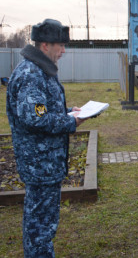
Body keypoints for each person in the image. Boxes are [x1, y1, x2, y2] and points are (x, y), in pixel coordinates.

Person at [6, 19, 86, 258]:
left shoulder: (40, 69)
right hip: (40, 163)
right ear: (44, 45)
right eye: (60, 45)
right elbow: (36, 120)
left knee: (41, 219)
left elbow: (42, 110)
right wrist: (71, 121)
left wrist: (67, 112)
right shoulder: (32, 74)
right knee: (40, 223)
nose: (63, 51)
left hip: (44, 162)